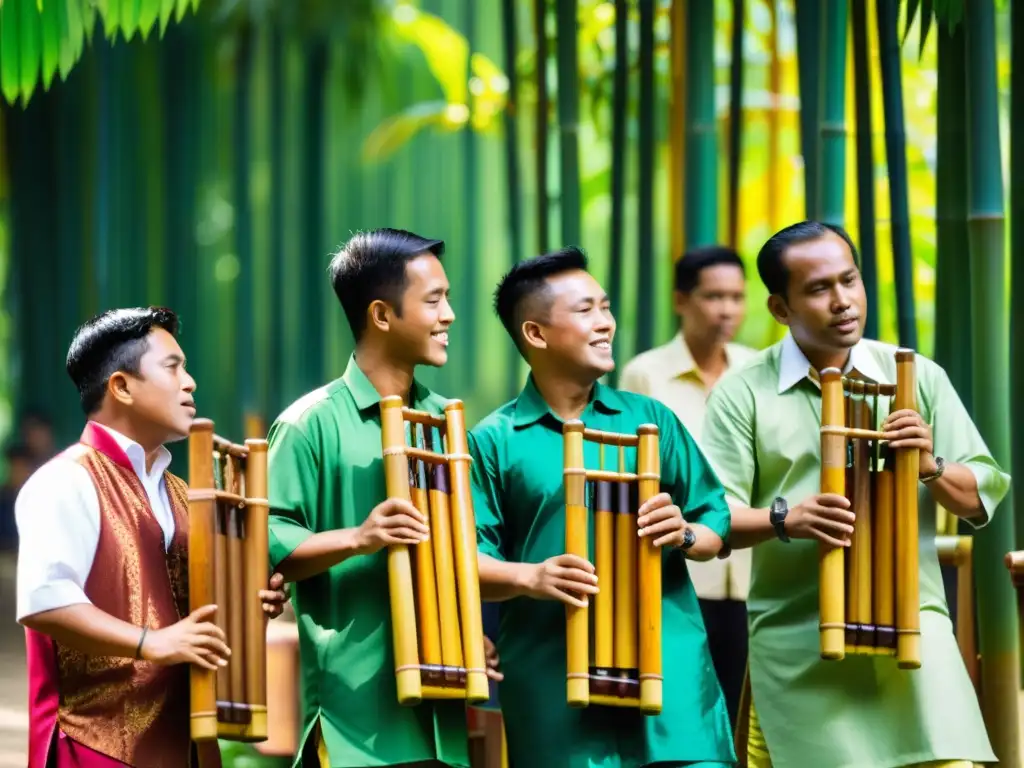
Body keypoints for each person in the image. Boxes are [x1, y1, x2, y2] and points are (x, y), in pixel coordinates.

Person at [700, 221, 1007, 768]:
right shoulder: (742, 392)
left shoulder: (916, 376)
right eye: (819, 289)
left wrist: (931, 465)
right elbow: (713, 518)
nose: (843, 301)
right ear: (780, 308)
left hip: (916, 632)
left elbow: (981, 497)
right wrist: (784, 518)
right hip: (799, 643)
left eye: (850, 281)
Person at [469, 247, 737, 768]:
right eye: (585, 310)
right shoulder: (493, 440)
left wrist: (682, 532)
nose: (605, 324)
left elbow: (715, 522)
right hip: (555, 689)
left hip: (673, 678)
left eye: (606, 307)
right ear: (535, 333)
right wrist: (532, 577)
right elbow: (464, 562)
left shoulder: (649, 420)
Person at [265, 228, 501, 768]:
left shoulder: (447, 423)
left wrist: (468, 626)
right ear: (381, 315)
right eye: (434, 300)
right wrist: (359, 537)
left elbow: (463, 547)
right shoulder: (308, 425)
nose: (450, 316)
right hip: (355, 722)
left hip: (443, 709)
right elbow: (270, 540)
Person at [15, 306, 289, 768]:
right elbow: (44, 601)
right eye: (172, 367)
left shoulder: (185, 493)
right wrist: (152, 641)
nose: (190, 382)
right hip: (92, 747)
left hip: (189, 747)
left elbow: (192, 620)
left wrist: (247, 607)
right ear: (120, 386)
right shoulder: (64, 480)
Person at [618, 245, 755, 727]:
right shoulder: (644, 373)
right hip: (679, 572)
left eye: (737, 297)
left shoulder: (756, 370)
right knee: (684, 712)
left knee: (742, 719)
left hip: (750, 573)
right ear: (681, 300)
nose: (727, 309)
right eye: (713, 296)